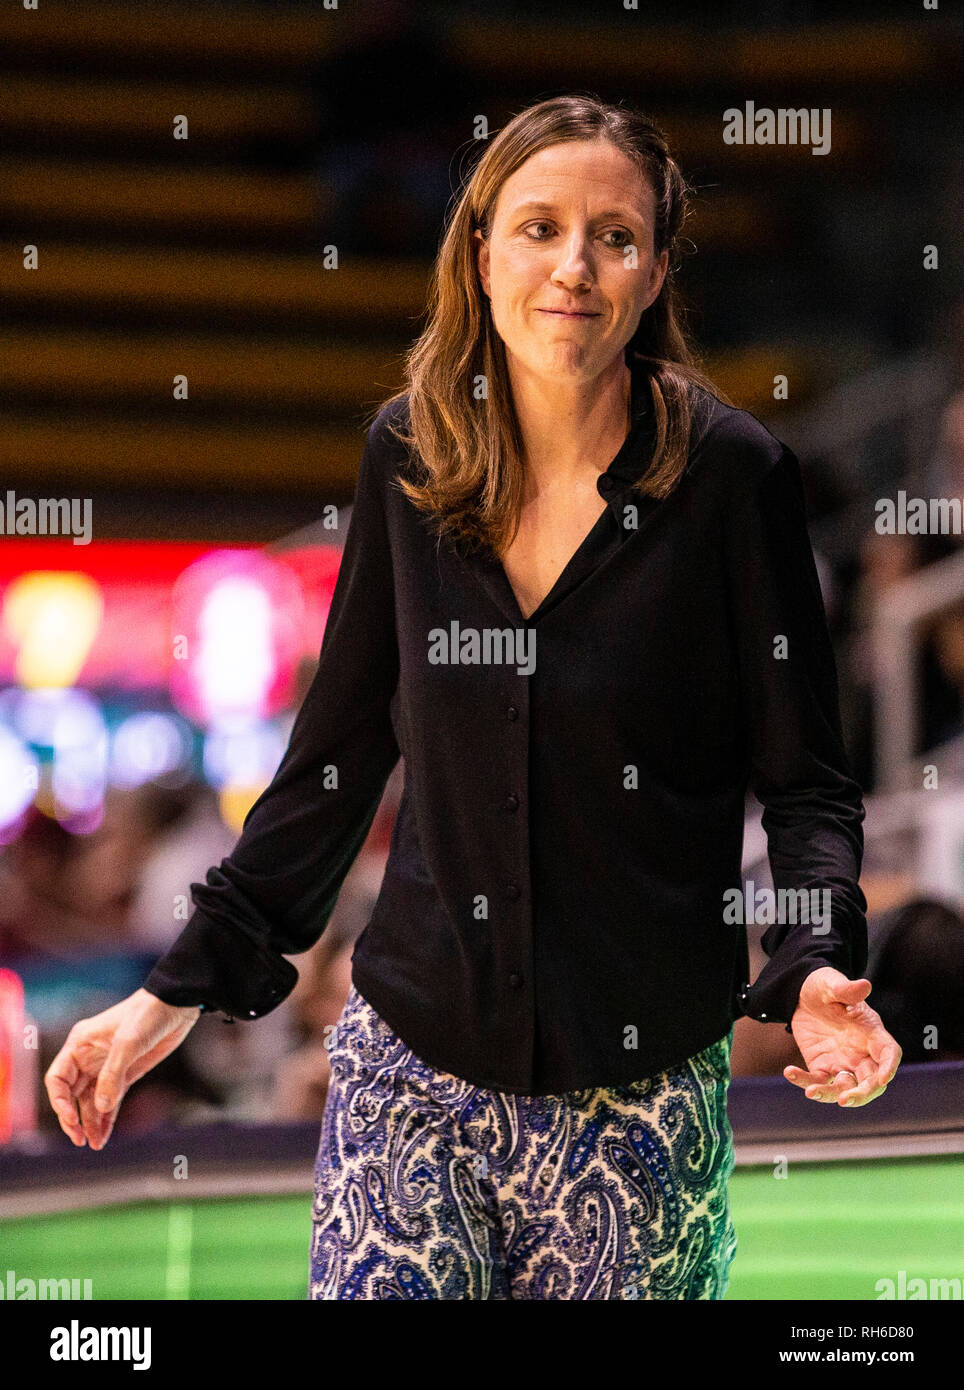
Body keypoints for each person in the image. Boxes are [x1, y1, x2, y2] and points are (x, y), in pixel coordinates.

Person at [45, 95, 902, 1301]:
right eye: (539, 228)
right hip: (412, 1065)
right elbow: (330, 767)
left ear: (655, 271)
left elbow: (805, 781)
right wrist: (175, 988)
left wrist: (814, 961)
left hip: (638, 1096)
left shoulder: (732, 479)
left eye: (613, 236)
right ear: (482, 251)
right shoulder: (408, 461)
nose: (573, 267)